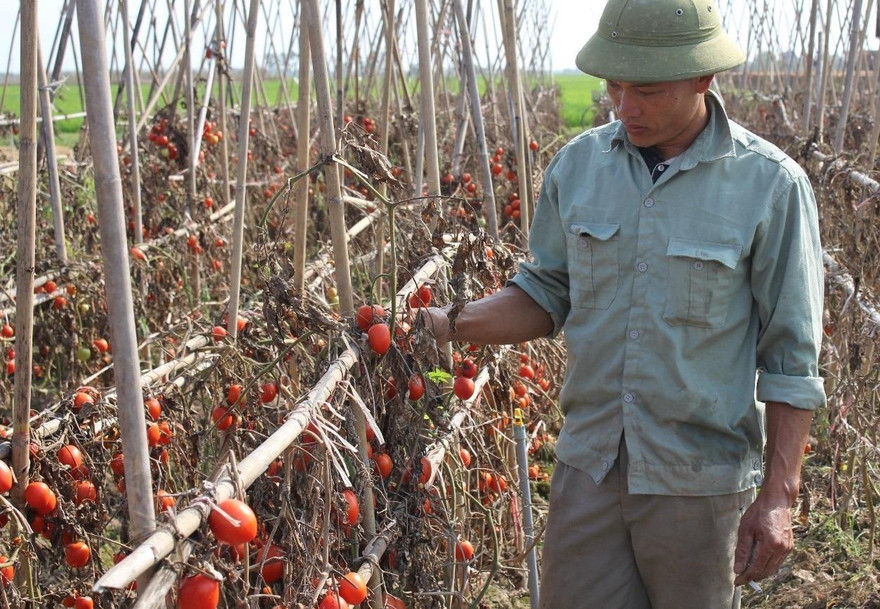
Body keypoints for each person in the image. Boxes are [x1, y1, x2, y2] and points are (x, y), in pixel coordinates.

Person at [423, 0, 825, 607]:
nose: (624, 106)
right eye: (614, 86)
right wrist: (444, 324)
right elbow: (545, 293)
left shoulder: (769, 186)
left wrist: (778, 497)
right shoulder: (579, 168)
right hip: (590, 467)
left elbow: (792, 358)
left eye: (648, 90)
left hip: (698, 484)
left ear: (703, 80)